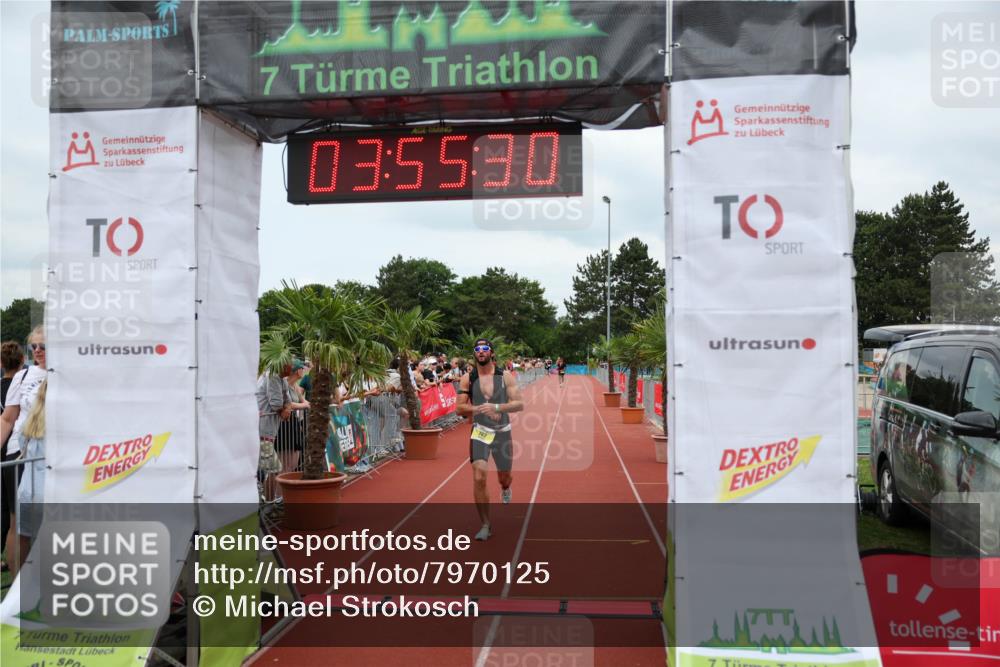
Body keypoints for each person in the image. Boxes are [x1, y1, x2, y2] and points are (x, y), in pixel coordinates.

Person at [456, 338, 524, 541]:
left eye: (485, 348)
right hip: (480, 431)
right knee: (479, 475)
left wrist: (497, 407)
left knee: (504, 477)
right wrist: (479, 409)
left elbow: (518, 404)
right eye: (477, 349)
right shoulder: (468, 378)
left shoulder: (505, 376)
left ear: (492, 353)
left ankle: (505, 487)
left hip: (502, 431)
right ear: (474, 354)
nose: (481, 352)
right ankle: (485, 524)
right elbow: (459, 408)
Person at [0, 326, 47, 571]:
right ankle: (18, 592)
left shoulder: (65, 374)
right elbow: (8, 419)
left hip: (51, 455)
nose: (38, 351)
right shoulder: (22, 376)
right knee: (19, 522)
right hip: (20, 452)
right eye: (34, 347)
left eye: (43, 346)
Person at [13, 378, 46, 575]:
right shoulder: (64, 420)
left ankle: (21, 583)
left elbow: (22, 444)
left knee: (23, 536)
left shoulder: (31, 419)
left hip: (28, 488)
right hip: (51, 490)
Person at [0, 341, 25, 570]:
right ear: (22, 360)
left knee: (8, 516)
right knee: (15, 516)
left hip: (6, 454)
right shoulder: (22, 384)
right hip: (17, 452)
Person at [256, 364, 293, 502]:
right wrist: (283, 410)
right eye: (291, 364)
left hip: (268, 431)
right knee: (270, 469)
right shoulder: (272, 375)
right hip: (261, 431)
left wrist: (287, 409)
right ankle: (265, 503)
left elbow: (288, 401)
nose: (294, 367)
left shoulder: (281, 378)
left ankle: (266, 502)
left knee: (267, 470)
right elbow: (277, 404)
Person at [275, 360, 310, 475]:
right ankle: (277, 491)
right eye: (302, 369)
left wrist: (311, 405)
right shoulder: (283, 383)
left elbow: (304, 401)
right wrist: (304, 405)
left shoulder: (295, 386)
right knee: (283, 461)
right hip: (283, 425)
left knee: (293, 462)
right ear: (297, 370)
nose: (304, 371)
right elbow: (287, 404)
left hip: (293, 425)